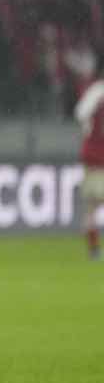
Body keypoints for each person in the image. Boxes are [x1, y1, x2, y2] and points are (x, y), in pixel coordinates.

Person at [74, 77, 104, 260]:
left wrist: (88, 130)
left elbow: (80, 114)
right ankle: (93, 250)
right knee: (93, 205)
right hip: (97, 155)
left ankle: (93, 250)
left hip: (92, 154)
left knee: (91, 206)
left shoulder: (97, 90)